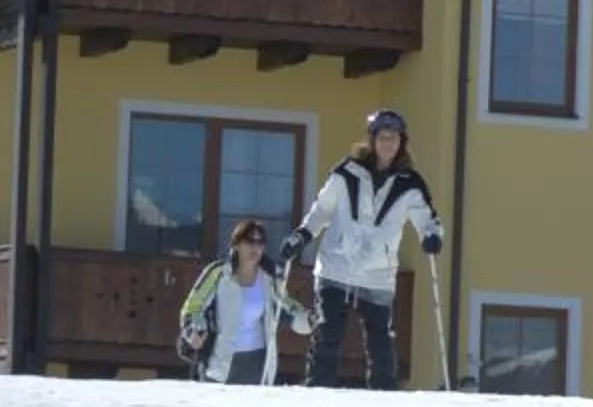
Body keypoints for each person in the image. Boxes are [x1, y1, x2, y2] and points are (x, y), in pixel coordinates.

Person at [281, 108, 442, 390]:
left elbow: (427, 218)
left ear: (402, 142)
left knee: (381, 339)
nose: (388, 143)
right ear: (372, 140)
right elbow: (322, 210)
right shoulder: (346, 173)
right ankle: (319, 387)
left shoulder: (410, 183)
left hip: (377, 274)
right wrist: (302, 235)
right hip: (336, 266)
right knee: (329, 330)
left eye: (394, 138)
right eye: (382, 137)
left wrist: (431, 235)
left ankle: (382, 395)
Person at [176, 219, 315, 385]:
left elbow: (286, 308)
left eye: (260, 242)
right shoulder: (218, 273)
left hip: (258, 362)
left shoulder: (269, 278)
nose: (255, 247)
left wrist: (310, 320)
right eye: (249, 241)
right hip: (220, 362)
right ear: (236, 244)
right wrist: (193, 331)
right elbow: (193, 307)